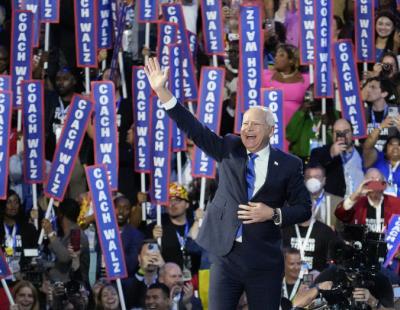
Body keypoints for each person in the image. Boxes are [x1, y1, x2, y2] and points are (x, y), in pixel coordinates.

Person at [145, 57, 311, 310]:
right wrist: (162, 91)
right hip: (225, 255)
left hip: (264, 260)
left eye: (255, 124)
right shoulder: (230, 147)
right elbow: (195, 130)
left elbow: (303, 208)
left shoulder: (289, 164)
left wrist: (273, 213)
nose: (247, 128)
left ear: (271, 130)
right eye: (244, 123)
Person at [310, 119, 364, 198]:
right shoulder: (320, 152)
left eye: (346, 132)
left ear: (352, 133)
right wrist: (331, 153)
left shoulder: (361, 152)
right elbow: (313, 168)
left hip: (359, 203)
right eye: (338, 133)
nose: (342, 136)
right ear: (332, 134)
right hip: (335, 204)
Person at [335, 168, 400, 232]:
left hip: (387, 241)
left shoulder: (396, 203)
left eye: (379, 183)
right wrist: (356, 194)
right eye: (372, 183)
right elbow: (340, 215)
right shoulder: (357, 203)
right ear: (364, 183)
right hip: (361, 241)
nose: (375, 187)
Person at [41, 198, 90, 284]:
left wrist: (50, 232)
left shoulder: (77, 235)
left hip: (74, 288)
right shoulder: (66, 234)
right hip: (59, 285)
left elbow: (65, 257)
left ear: (60, 214)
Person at [303, 163, 343, 230]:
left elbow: (343, 230)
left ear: (324, 180)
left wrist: (335, 231)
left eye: (316, 177)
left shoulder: (338, 203)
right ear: (304, 181)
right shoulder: (295, 203)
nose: (312, 180)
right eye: (309, 177)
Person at [364, 130, 400, 198]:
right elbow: (367, 147)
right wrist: (380, 128)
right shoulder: (378, 158)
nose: (395, 147)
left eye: (399, 145)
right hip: (375, 203)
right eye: (391, 144)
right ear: (386, 148)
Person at [114, 195, 144, 276]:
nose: (121, 211)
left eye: (126, 208)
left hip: (123, 282)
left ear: (130, 211)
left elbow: (131, 265)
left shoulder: (136, 235)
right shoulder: (101, 231)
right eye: (117, 207)